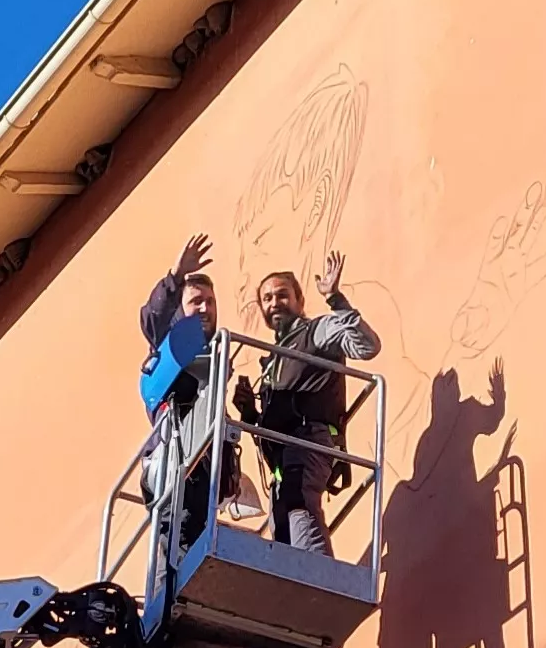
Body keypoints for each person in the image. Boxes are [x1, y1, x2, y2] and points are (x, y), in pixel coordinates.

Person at [236, 251, 380, 556]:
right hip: (282, 462)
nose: (274, 302)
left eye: (282, 295)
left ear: (300, 301)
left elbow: (367, 347)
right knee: (282, 528)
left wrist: (335, 299)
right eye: (267, 298)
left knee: (298, 505)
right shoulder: (271, 362)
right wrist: (249, 411)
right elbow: (268, 429)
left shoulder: (316, 332)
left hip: (309, 442)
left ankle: (319, 572)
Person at [138, 234, 240, 558]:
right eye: (196, 301)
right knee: (177, 552)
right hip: (174, 468)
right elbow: (152, 318)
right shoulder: (171, 344)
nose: (205, 308)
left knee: (196, 549)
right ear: (181, 309)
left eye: (210, 301)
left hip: (202, 475)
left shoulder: (212, 356)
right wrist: (176, 276)